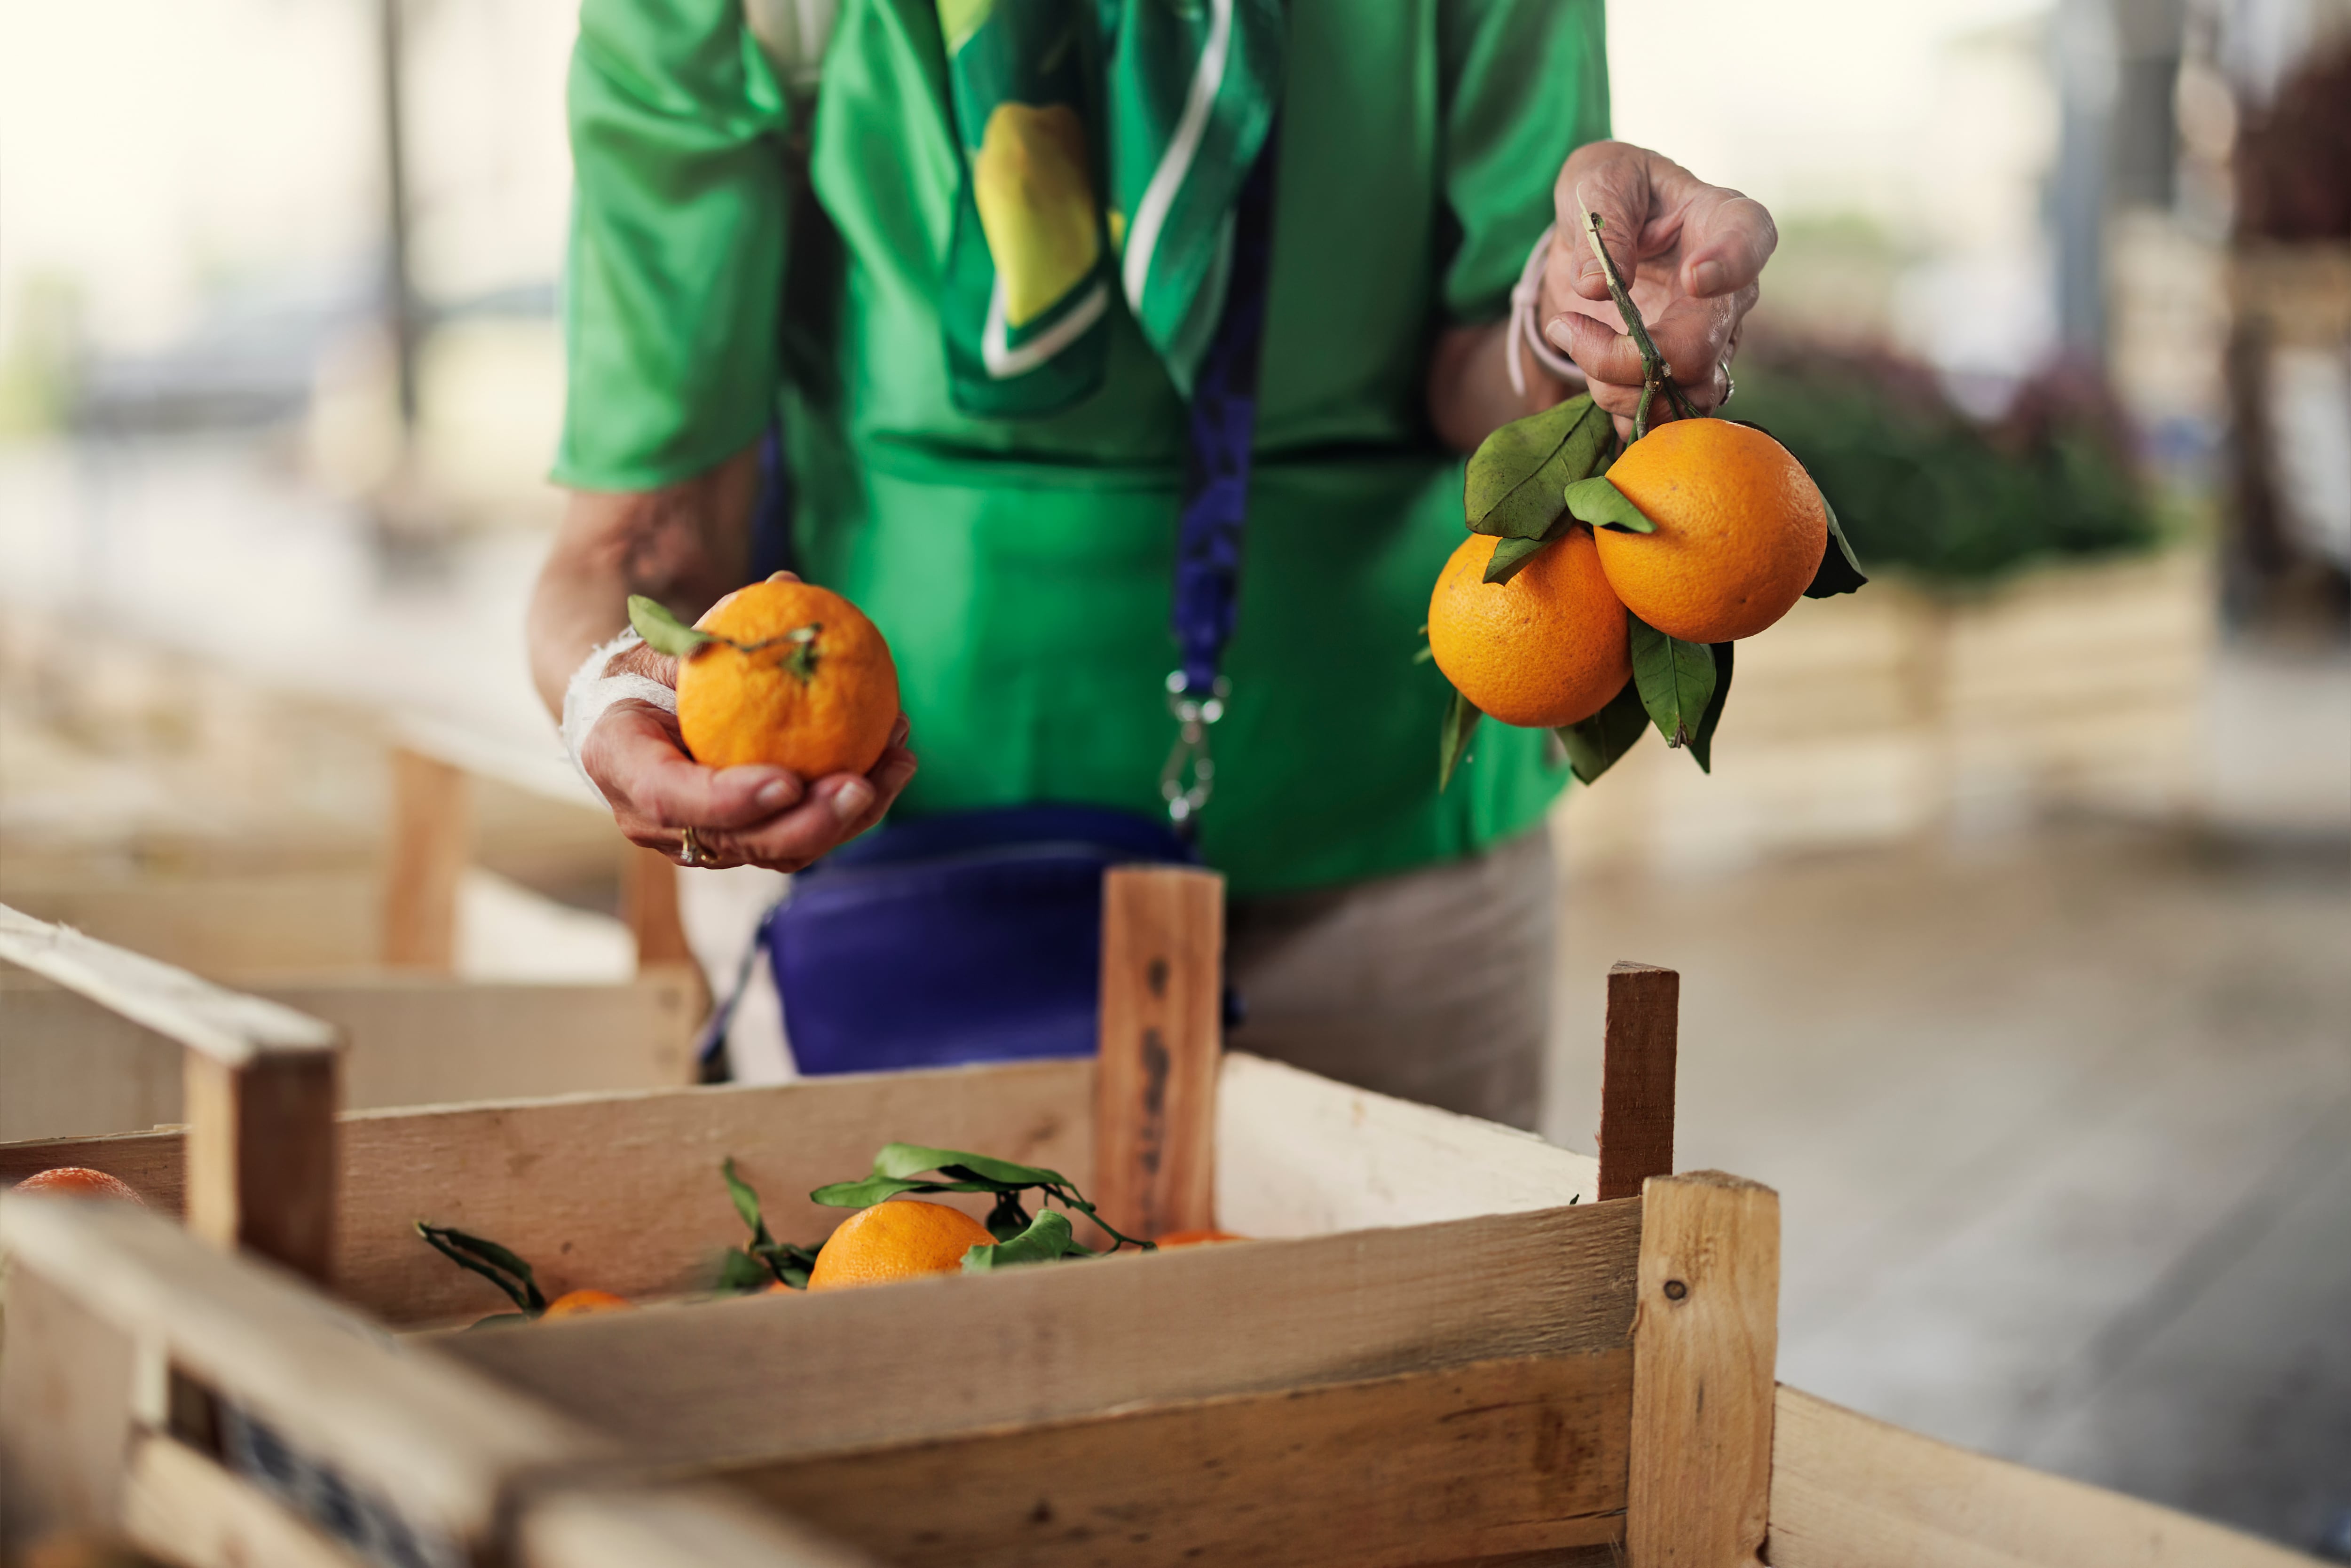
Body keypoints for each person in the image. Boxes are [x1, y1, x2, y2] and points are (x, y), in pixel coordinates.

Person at [528, 0, 1775, 1128]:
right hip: (907, 873)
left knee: (1398, 1369)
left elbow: (1489, 360)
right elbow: (643, 527)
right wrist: (615, 699)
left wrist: (1587, 324)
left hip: (1384, 867)